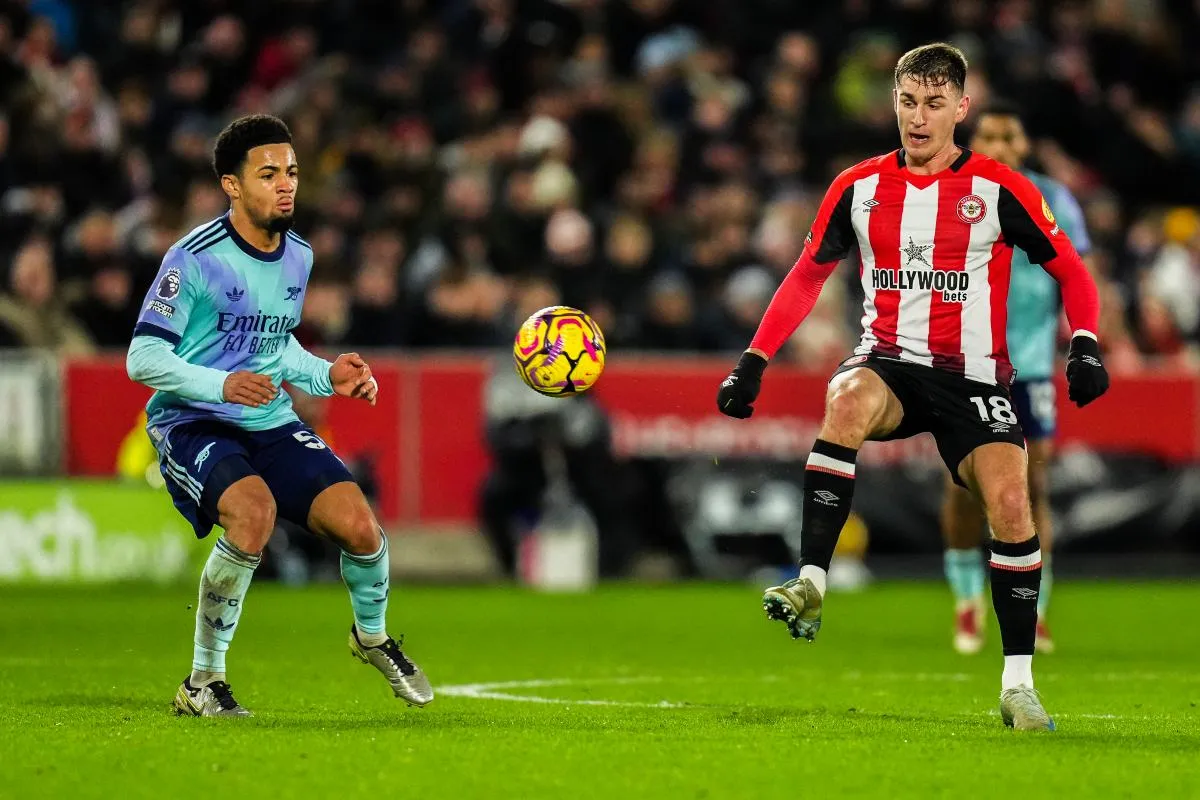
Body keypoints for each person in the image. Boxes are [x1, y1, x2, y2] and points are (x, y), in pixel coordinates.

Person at [715, 44, 1109, 731]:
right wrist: (754, 359)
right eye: (907, 102)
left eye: (933, 103)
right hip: (890, 361)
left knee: (1012, 503)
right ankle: (812, 581)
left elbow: (1072, 270)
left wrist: (1084, 343)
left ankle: (1018, 685)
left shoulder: (1000, 189)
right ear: (893, 104)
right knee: (845, 401)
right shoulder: (858, 187)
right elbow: (807, 275)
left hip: (974, 375)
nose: (918, 118)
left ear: (960, 108)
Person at [126, 114, 433, 717]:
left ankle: (372, 637)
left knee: (362, 530)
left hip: (266, 416)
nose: (286, 184)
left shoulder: (299, 256)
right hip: (191, 419)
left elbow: (276, 346)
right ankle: (203, 681)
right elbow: (143, 357)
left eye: (291, 172)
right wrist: (221, 383)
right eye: (268, 174)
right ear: (232, 185)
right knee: (253, 513)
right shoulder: (192, 258)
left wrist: (326, 375)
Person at [941, 101, 1093, 657]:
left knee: (1034, 484)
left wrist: (1086, 338)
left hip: (1029, 363)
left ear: (1024, 144)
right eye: (991, 136)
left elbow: (1078, 273)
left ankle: (1037, 607)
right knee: (964, 486)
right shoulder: (955, 193)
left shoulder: (1054, 200)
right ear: (975, 141)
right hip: (965, 360)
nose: (1001, 146)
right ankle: (966, 600)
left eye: (1010, 136)